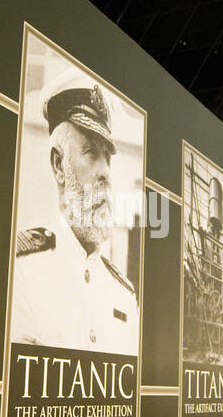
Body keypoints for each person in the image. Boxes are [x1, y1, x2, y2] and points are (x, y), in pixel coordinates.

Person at [11, 84, 139, 354]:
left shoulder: (124, 295)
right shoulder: (20, 270)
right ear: (59, 165)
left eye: (107, 156)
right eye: (90, 152)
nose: (105, 172)